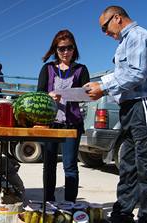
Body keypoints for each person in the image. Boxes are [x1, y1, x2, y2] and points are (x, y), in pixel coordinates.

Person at [85, 6, 147, 223]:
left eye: (105, 27)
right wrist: (98, 88)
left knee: (146, 164)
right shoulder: (124, 43)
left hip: (145, 105)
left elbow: (136, 73)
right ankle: (122, 214)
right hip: (130, 108)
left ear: (117, 18)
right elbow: (123, 77)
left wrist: (103, 85)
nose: (105, 33)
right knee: (128, 163)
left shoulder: (139, 36)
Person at [37, 30, 90, 202]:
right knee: (49, 166)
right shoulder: (48, 69)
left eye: (69, 48)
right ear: (55, 50)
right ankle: (48, 202)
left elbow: (87, 95)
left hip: (72, 124)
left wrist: (73, 95)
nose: (65, 52)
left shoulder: (81, 70)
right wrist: (48, 96)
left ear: (74, 49)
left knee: (70, 166)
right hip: (50, 124)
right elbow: (39, 94)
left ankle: (70, 205)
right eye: (61, 49)